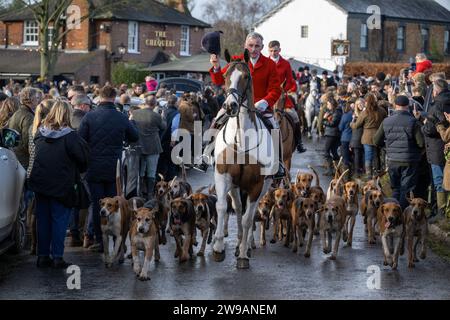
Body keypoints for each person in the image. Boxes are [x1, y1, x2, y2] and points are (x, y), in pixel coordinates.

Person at [194, 32, 284, 178]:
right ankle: (205, 155)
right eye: (250, 45)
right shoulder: (237, 61)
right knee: (216, 120)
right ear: (245, 46)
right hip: (235, 102)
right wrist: (216, 67)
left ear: (262, 47)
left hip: (260, 105)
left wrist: (265, 101)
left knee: (275, 127)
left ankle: (278, 163)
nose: (253, 49)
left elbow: (275, 89)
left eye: (257, 46)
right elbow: (219, 81)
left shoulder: (270, 65)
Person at [29, 99, 89, 268]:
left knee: (43, 220)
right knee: (59, 221)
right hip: (62, 184)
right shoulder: (70, 136)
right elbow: (83, 159)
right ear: (67, 114)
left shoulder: (40, 132)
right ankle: (57, 256)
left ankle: (42, 255)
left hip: (40, 182)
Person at [78, 85, 139, 251]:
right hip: (115, 169)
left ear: (99, 97)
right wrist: (131, 121)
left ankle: (100, 240)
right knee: (114, 205)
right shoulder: (121, 117)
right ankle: (116, 240)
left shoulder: (89, 117)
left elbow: (80, 140)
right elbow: (134, 136)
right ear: (115, 97)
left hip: (93, 167)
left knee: (99, 205)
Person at [374, 95, 424, 210]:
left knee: (396, 188)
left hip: (392, 159)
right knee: (406, 189)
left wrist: (387, 147)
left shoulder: (387, 121)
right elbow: (421, 143)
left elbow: (376, 140)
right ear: (408, 106)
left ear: (395, 106)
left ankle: (391, 213)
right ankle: (400, 214)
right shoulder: (412, 121)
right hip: (410, 160)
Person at [416, 79, 450, 218]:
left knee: (438, 180)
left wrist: (423, 124)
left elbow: (429, 129)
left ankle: (441, 212)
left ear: (435, 91)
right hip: (445, 147)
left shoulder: (436, 106)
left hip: (436, 147)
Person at [267, 40, 306, 153]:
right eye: (271, 51)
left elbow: (290, 80)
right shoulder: (264, 62)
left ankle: (299, 143)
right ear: (268, 51)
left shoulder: (285, 64)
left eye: (275, 50)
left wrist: (284, 89)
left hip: (282, 97)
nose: (273, 53)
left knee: (295, 116)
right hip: (267, 97)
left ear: (279, 50)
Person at [131, 95, 166, 199]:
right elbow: (163, 126)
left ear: (144, 102)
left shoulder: (135, 113)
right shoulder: (156, 116)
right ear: (154, 104)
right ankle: (150, 194)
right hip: (153, 147)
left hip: (139, 147)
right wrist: (163, 116)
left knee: (140, 171)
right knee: (151, 172)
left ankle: (140, 191)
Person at [350, 93, 386, 180]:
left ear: (366, 102)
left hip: (367, 137)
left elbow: (357, 125)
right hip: (379, 135)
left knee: (368, 155)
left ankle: (369, 174)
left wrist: (351, 124)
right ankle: (377, 172)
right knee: (376, 155)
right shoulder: (382, 110)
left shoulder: (365, 112)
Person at [8, 87, 43, 170]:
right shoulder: (28, 116)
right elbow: (28, 142)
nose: (38, 100)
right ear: (31, 99)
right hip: (23, 159)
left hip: (16, 156)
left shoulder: (19, 112)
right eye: (37, 97)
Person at [322, 98, 343, 176]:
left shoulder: (337, 112)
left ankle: (330, 169)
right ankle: (337, 168)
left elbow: (333, 123)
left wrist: (324, 120)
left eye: (328, 104)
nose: (327, 106)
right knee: (333, 151)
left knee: (326, 151)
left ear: (332, 104)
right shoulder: (332, 111)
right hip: (332, 133)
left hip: (332, 134)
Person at [350, 98, 365, 177]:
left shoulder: (363, 114)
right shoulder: (356, 115)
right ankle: (357, 171)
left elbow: (354, 126)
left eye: (361, 103)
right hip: (357, 137)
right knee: (357, 155)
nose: (360, 106)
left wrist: (351, 123)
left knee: (360, 154)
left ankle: (359, 171)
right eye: (358, 104)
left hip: (361, 136)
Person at [339, 99, 354, 172]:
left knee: (345, 157)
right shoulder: (354, 115)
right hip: (353, 138)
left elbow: (340, 127)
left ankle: (346, 173)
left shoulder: (345, 116)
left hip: (345, 138)